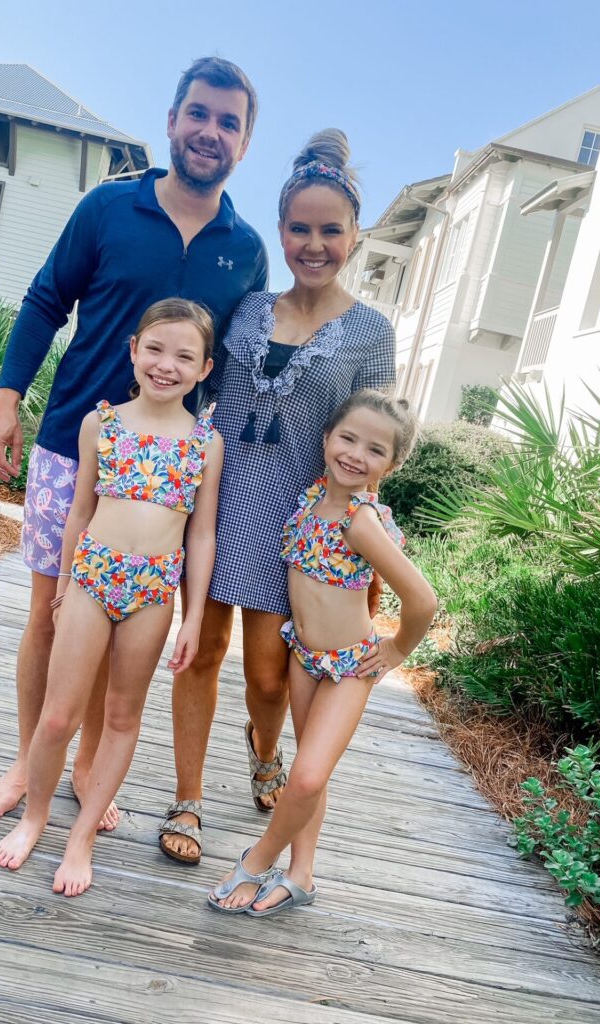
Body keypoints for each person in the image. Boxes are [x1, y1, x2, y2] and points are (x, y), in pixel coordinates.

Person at [0, 57, 267, 828]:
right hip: (76, 442)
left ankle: (88, 767)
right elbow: (45, 299)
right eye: (198, 113)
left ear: (245, 139)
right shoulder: (107, 209)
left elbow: (235, 372)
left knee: (125, 630)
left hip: (166, 471)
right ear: (172, 120)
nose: (210, 131)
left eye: (228, 121)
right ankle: (26, 755)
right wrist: (7, 402)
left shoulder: (247, 249)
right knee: (52, 613)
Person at [160, 130, 395, 865]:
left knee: (269, 673)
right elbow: (204, 397)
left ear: (355, 236)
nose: (314, 243)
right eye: (300, 228)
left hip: (293, 526)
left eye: (330, 230)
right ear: (282, 229)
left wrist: (368, 553)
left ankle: (265, 752)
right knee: (200, 652)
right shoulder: (248, 310)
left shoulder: (371, 333)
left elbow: (374, 445)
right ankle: (188, 800)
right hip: (215, 504)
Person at [0, 299, 222, 896]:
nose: (166, 364)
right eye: (155, 349)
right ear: (133, 351)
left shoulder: (205, 442)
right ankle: (36, 818)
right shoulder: (102, 423)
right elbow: (79, 512)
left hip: (153, 591)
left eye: (184, 356)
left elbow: (201, 533)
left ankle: (82, 837)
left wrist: (192, 616)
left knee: (122, 716)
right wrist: (65, 585)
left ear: (204, 369)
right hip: (93, 579)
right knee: (59, 715)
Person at [208, 389, 437, 914]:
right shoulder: (312, 497)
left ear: (392, 464)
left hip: (348, 666)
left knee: (308, 775)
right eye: (348, 438)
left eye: (375, 450)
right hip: (303, 657)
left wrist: (397, 649)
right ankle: (301, 874)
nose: (356, 454)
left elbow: (423, 600)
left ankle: (257, 860)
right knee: (313, 771)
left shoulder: (361, 520)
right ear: (326, 438)